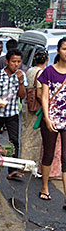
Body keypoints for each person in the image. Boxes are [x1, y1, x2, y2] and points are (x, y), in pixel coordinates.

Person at [0, 49, 27, 180]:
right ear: (7, 62)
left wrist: (20, 82)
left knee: (14, 141)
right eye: (14, 61)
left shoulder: (21, 76)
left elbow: (22, 95)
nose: (16, 64)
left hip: (12, 113)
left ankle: (12, 170)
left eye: (19, 62)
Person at [38, 37, 66, 205]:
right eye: (64, 49)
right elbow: (45, 96)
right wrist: (47, 118)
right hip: (51, 119)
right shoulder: (49, 71)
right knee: (48, 154)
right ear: (59, 51)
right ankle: (44, 187)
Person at [21, 50, 49, 172]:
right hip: (36, 107)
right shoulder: (41, 72)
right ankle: (30, 163)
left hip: (27, 104)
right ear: (46, 60)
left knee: (26, 132)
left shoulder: (30, 70)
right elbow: (39, 93)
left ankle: (23, 160)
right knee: (34, 135)